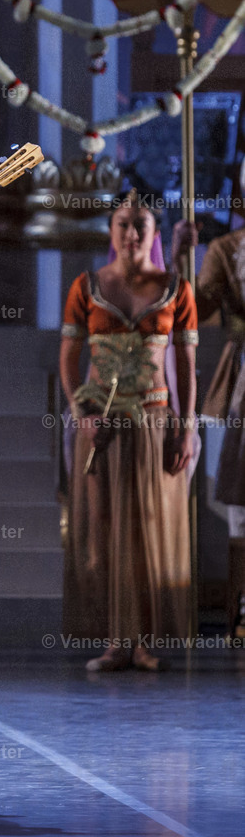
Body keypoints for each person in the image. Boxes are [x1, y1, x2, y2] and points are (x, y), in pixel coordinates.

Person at [60, 194, 198, 671]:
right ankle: (114, 642)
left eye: (141, 225)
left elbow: (185, 364)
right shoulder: (87, 286)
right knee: (104, 531)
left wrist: (187, 427)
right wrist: (84, 414)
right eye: (124, 224)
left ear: (154, 232)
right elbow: (67, 361)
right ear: (111, 230)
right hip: (101, 426)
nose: (132, 234)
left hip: (156, 422)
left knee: (148, 531)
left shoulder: (176, 287)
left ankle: (145, 643)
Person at [172, 220, 245, 635]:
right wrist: (184, 255)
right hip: (239, 383)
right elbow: (192, 310)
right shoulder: (227, 248)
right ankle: (241, 608)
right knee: (237, 500)